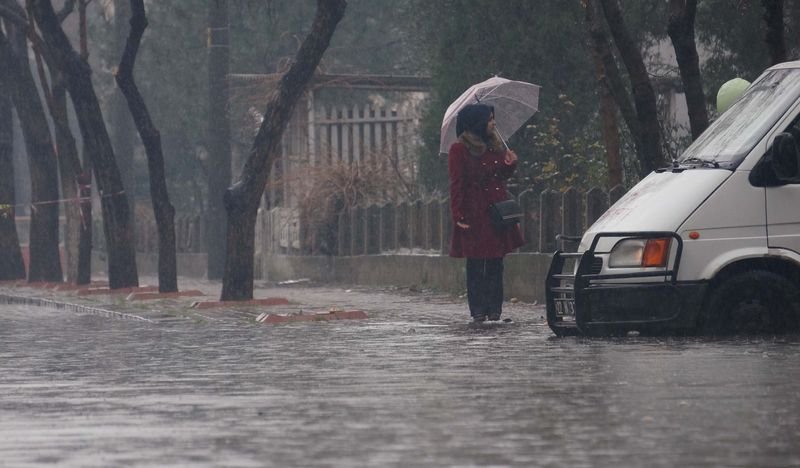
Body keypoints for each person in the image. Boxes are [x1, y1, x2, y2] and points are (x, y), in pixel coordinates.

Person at [448, 103, 525, 323]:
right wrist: (458, 215)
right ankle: (478, 310)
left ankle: (495, 309)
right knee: (475, 263)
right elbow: (457, 184)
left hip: (496, 213)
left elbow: (500, 176)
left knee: (495, 262)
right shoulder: (459, 149)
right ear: (478, 122)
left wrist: (510, 164)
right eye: (490, 119)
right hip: (473, 213)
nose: (493, 123)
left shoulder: (496, 146)